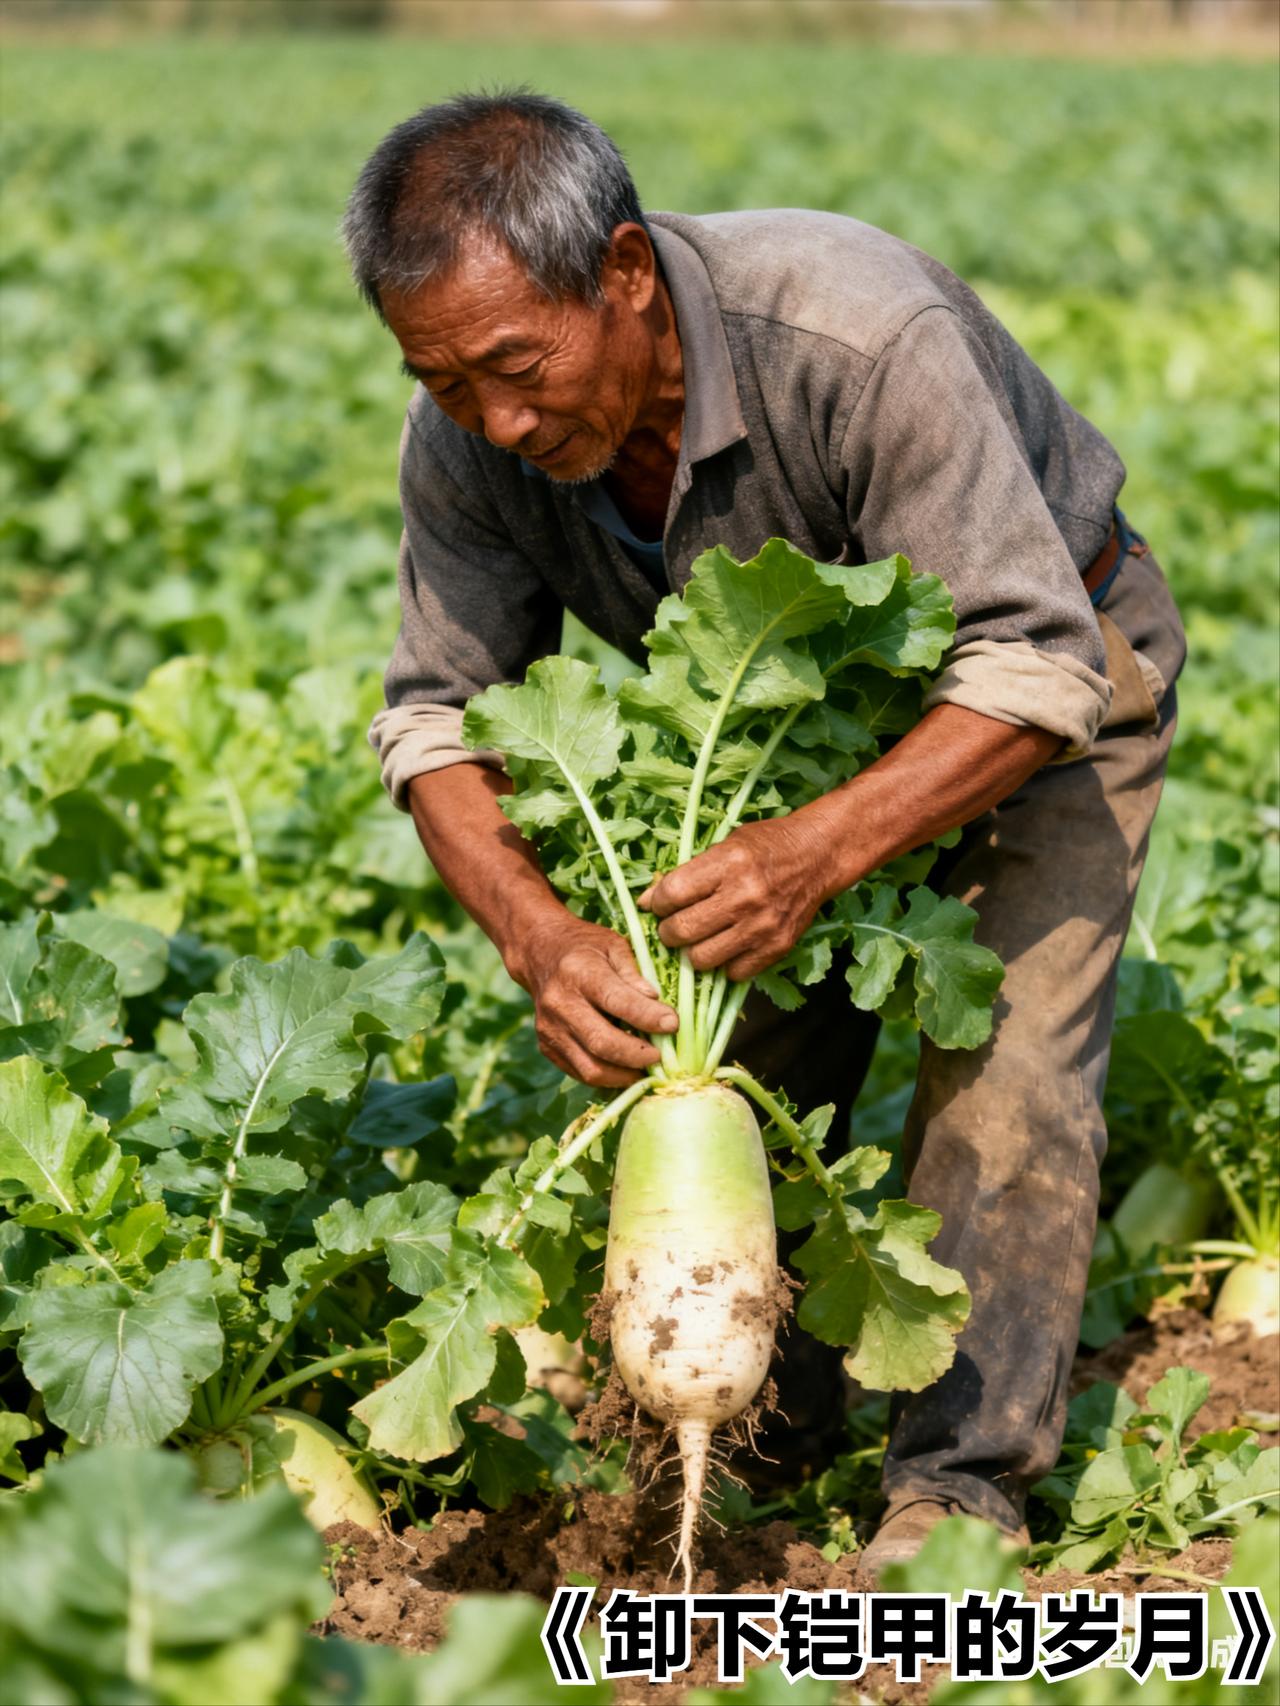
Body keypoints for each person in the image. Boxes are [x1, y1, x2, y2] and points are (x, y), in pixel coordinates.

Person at [342, 90, 1185, 1573]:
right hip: (791, 741)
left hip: (1043, 677)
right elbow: (436, 717)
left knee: (1007, 1070)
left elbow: (1035, 657)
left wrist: (816, 855)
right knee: (733, 1066)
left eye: (516, 371)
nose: (499, 422)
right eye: (448, 382)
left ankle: (957, 1487)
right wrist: (540, 935)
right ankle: (748, 1434)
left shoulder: (856, 337)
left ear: (620, 270)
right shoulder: (469, 431)